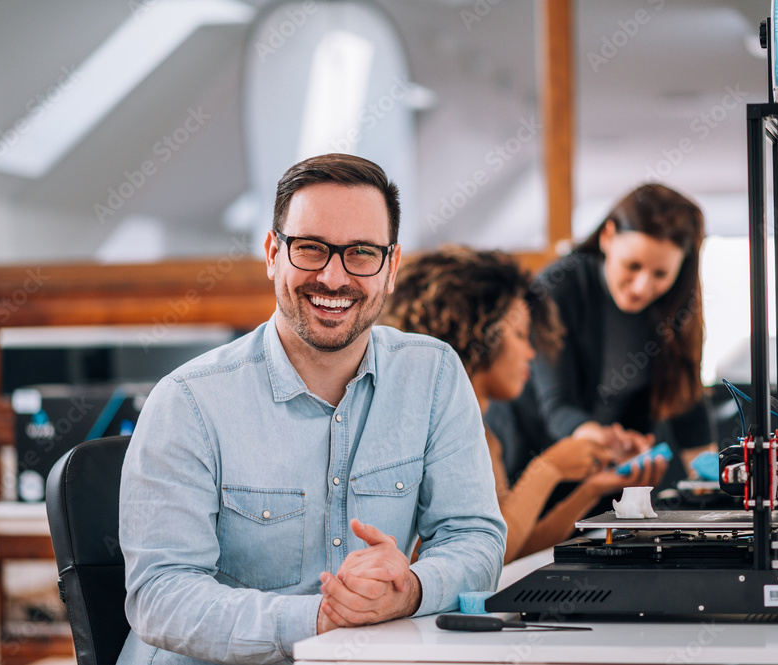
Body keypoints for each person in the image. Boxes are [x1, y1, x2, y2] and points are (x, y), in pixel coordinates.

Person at [117, 154, 506, 665]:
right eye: (311, 249)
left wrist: (410, 587)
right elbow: (161, 597)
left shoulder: (432, 375)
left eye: (362, 253)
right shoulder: (188, 401)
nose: (333, 276)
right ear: (272, 254)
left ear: (391, 268)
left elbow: (474, 538)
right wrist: (321, 621)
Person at [382, 247, 663, 564]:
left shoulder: (486, 437)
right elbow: (479, 557)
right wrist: (549, 468)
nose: (531, 353)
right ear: (476, 332)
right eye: (518, 335)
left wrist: (590, 490)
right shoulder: (426, 435)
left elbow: (515, 546)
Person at [488, 183, 716, 487]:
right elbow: (558, 409)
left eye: (660, 274)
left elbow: (685, 398)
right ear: (607, 237)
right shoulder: (558, 289)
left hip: (605, 476)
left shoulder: (674, 308)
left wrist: (711, 485)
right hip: (532, 467)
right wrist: (608, 441)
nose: (641, 287)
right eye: (632, 266)